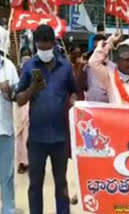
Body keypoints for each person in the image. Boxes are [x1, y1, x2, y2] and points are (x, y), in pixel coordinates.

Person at [15, 25, 77, 214]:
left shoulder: (65, 67)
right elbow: (19, 99)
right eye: (39, 47)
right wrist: (32, 87)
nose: (43, 51)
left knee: (61, 183)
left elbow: (73, 91)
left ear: (52, 43)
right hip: (36, 139)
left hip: (59, 138)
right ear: (35, 45)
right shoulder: (29, 67)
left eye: (46, 46)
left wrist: (74, 102)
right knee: (35, 185)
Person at [89, 33, 129, 108]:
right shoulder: (109, 78)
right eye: (126, 60)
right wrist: (109, 43)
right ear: (118, 61)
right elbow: (93, 62)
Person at [0, 53, 19, 214]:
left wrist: (9, 90)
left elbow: (18, 96)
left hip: (4, 129)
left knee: (7, 174)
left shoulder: (8, 66)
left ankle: (8, 209)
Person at [14, 46, 32, 174]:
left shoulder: (34, 69)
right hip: (19, 105)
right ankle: (21, 162)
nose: (26, 57)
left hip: (31, 104)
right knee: (20, 136)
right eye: (24, 55)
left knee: (28, 136)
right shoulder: (16, 70)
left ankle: (29, 162)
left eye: (28, 55)